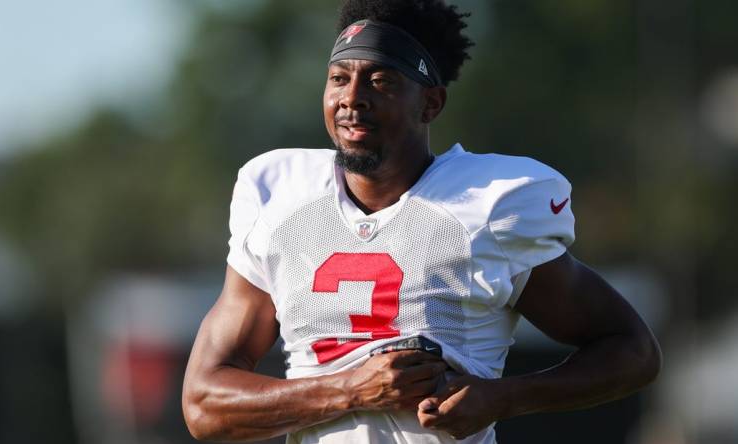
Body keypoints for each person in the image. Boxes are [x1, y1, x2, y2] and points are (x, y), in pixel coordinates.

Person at [182, 0, 662, 442]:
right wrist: (350, 390)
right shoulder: (279, 196)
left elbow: (632, 351)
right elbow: (204, 405)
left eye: (381, 80)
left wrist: (503, 397)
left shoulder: (489, 207)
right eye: (339, 78)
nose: (353, 98)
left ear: (430, 103)